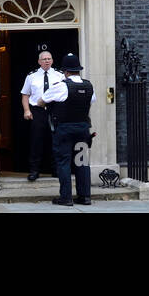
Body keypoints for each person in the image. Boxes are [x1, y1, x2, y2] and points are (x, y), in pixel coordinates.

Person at [40, 52, 95, 206]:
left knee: (63, 162)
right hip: (83, 130)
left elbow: (41, 101)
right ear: (79, 70)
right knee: (82, 162)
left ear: (65, 71)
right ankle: (85, 197)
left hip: (64, 130)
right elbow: (92, 101)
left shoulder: (61, 86)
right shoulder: (89, 86)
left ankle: (66, 197)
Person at [19, 48, 57, 181]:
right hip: (37, 111)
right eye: (44, 59)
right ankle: (34, 171)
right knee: (36, 141)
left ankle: (56, 169)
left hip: (54, 111)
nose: (47, 61)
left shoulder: (59, 75)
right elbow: (25, 95)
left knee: (55, 140)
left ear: (52, 60)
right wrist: (26, 110)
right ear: (39, 62)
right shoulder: (32, 76)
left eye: (49, 59)